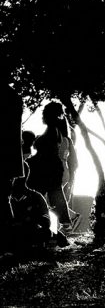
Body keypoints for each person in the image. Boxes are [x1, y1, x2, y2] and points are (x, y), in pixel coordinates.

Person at [27, 102, 80, 233]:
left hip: (50, 171)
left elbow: (47, 156)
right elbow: (73, 162)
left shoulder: (52, 132)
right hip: (58, 171)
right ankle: (66, 220)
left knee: (41, 196)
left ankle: (64, 221)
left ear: (48, 115)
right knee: (52, 196)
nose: (42, 115)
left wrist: (29, 161)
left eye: (44, 112)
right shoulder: (61, 135)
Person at [9, 162, 69, 252]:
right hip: (12, 232)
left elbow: (46, 221)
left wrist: (31, 219)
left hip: (29, 231)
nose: (13, 179)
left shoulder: (35, 196)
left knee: (49, 233)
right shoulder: (8, 197)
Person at [0, 75, 24, 246]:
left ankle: (9, 240)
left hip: (4, 158)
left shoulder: (7, 96)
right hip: (9, 159)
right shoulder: (13, 96)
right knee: (3, 198)